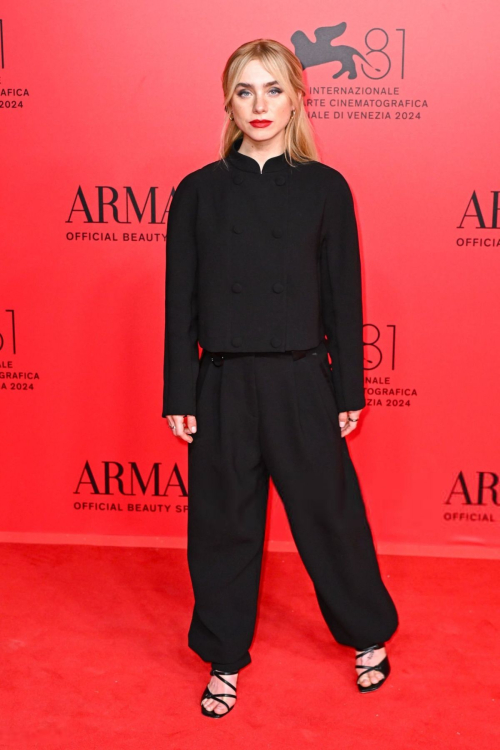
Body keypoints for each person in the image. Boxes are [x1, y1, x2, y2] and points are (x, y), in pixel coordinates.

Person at [162, 39, 399, 718]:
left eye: (273, 89)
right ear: (228, 102)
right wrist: (181, 392)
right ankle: (223, 657)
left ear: (298, 97)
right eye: (245, 90)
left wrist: (348, 388)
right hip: (223, 382)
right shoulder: (199, 191)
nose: (259, 105)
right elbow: (183, 302)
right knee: (222, 526)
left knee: (330, 518)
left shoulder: (327, 188)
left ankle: (368, 636)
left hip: (302, 380)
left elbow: (342, 296)